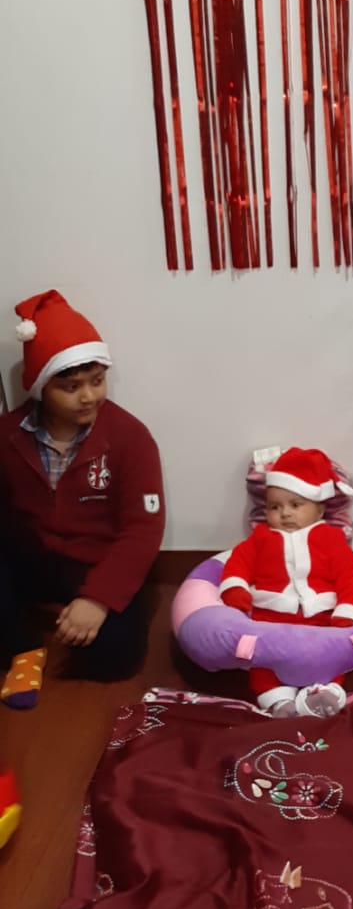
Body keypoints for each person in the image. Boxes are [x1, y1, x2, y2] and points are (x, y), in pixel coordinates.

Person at [0, 290, 165, 708]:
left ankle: (65, 619)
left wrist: (97, 599)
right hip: (31, 556)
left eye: (97, 381)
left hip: (96, 563)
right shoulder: (8, 435)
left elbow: (143, 528)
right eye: (71, 387)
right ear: (41, 388)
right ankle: (24, 645)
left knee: (116, 657)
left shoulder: (130, 438)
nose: (89, 396)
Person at [219, 448, 353, 718]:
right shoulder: (261, 538)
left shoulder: (331, 539)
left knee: (330, 656)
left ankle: (323, 693)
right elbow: (238, 562)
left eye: (296, 505)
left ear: (319, 509)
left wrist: (348, 610)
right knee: (263, 663)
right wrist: (235, 587)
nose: (285, 514)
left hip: (320, 619)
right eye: (275, 507)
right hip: (270, 619)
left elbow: (349, 577)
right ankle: (279, 702)